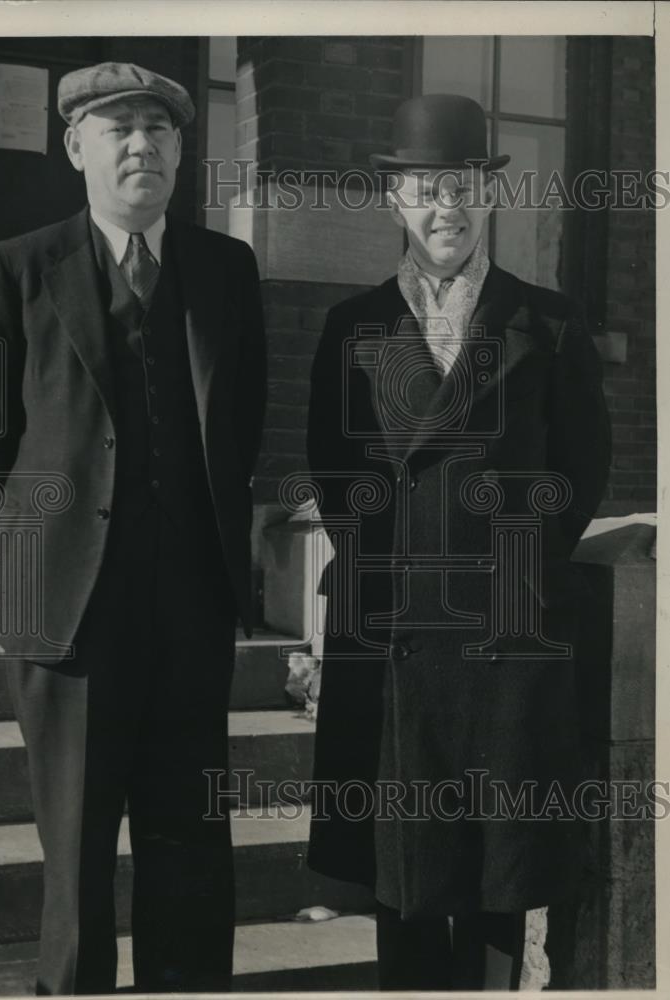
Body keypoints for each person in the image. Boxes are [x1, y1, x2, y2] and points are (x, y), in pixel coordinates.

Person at [0, 61, 266, 995]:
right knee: (79, 851)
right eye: (118, 128)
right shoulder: (13, 268)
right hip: (68, 615)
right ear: (75, 147)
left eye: (159, 130)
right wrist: (29, 566)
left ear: (180, 149)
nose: (142, 145)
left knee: (191, 846)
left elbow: (242, 419)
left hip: (190, 612)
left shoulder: (224, 268)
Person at [306, 94, 611, 990]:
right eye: (425, 189)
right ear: (395, 202)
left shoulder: (548, 324)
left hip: (504, 641)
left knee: (498, 878)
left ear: (487, 198)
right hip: (396, 633)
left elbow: (580, 470)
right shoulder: (351, 328)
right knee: (401, 879)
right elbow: (335, 476)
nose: (446, 209)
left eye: (463, 188)